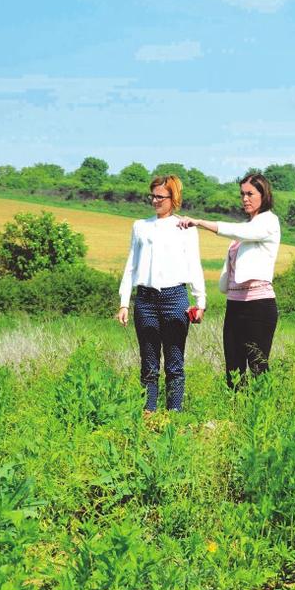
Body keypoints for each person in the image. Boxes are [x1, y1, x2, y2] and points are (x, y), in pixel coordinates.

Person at [177, 172, 280, 389]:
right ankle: (236, 417)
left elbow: (239, 231)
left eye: (250, 194)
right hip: (235, 304)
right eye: (242, 194)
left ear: (264, 195)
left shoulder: (268, 222)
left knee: (258, 365)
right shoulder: (245, 227)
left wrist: (199, 222)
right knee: (233, 368)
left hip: (258, 304)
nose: (245, 198)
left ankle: (265, 414)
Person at [117, 175, 206, 412]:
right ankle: (148, 414)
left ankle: (174, 415)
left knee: (175, 363)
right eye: (152, 196)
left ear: (173, 198)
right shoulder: (140, 226)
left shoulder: (184, 228)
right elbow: (131, 265)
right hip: (145, 300)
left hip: (175, 299)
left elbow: (194, 264)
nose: (155, 200)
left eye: (160, 196)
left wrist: (201, 301)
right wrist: (124, 302)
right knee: (149, 364)